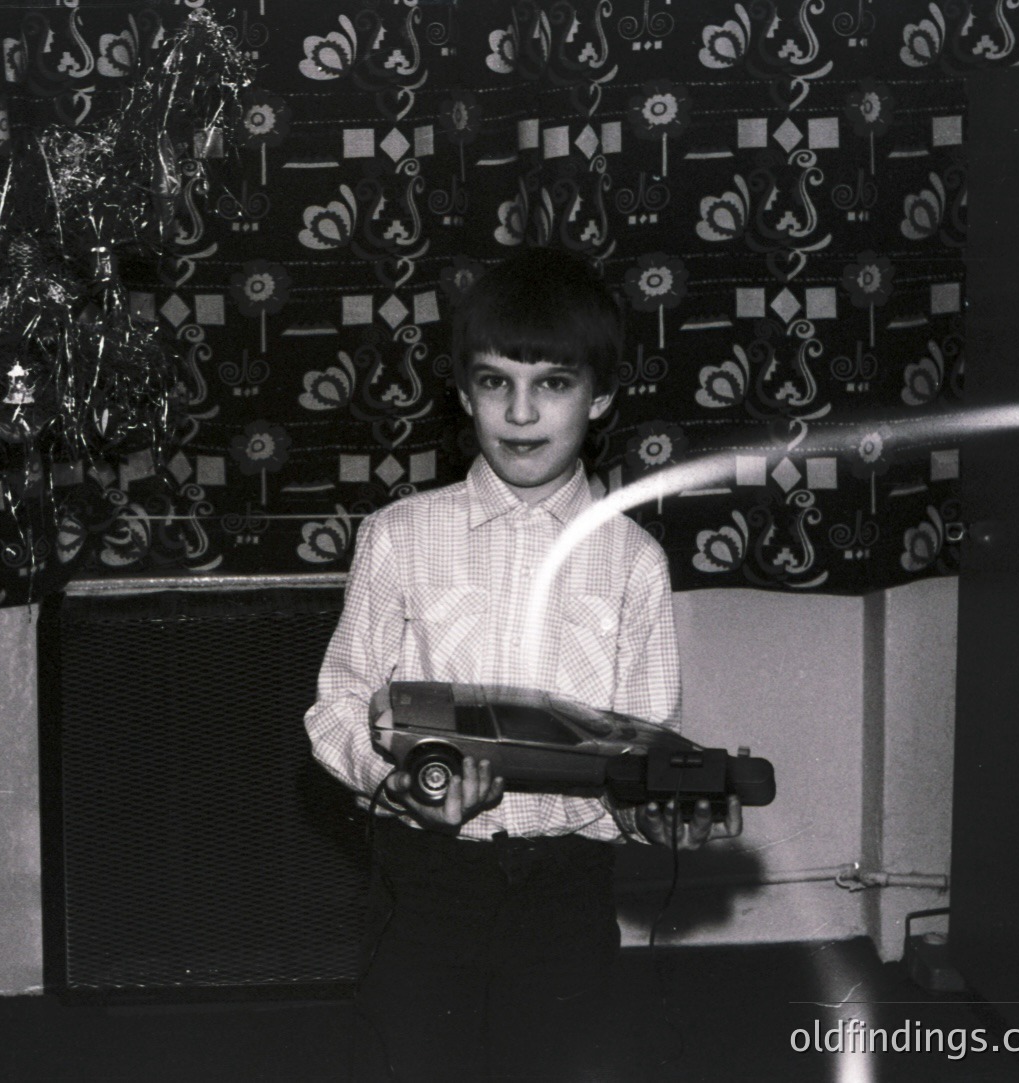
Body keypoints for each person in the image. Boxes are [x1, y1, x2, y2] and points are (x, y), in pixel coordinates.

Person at [304, 246, 741, 1082]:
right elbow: (337, 704)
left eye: (552, 382)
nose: (520, 409)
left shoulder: (632, 562)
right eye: (496, 381)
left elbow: (644, 741)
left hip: (564, 892)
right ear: (463, 393)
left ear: (601, 395)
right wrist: (386, 779)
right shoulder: (397, 536)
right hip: (426, 883)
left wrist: (659, 809)